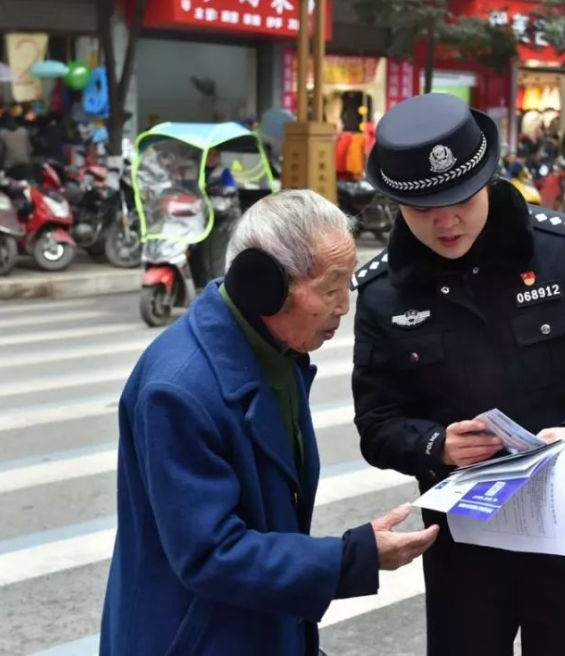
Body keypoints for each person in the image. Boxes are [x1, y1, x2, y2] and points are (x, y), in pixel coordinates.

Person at [351, 93, 565, 656]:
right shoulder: (382, 294)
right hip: (467, 537)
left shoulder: (564, 252)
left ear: (489, 181)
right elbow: (377, 421)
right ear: (396, 203)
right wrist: (437, 445)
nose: (446, 222)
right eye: (423, 210)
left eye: (461, 200)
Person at [101, 189, 439, 655]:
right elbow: (211, 553)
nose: (344, 305)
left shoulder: (277, 352)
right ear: (265, 286)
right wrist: (353, 557)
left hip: (257, 623)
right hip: (194, 638)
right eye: (330, 287)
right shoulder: (178, 391)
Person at [0, 111, 32, 179]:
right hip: (24, 164)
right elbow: (29, 150)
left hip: (10, 167)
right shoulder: (24, 131)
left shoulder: (1, 133)